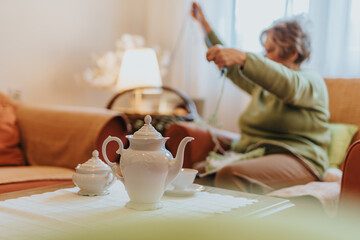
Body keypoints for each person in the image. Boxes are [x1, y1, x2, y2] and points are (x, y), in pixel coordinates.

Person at [191, 2, 330, 194]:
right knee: (191, 174)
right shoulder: (262, 85)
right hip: (257, 153)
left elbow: (288, 85)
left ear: (292, 53)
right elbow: (232, 68)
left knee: (230, 175)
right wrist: (204, 25)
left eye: (270, 50)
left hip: (299, 158)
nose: (264, 56)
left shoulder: (310, 81)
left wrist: (244, 58)